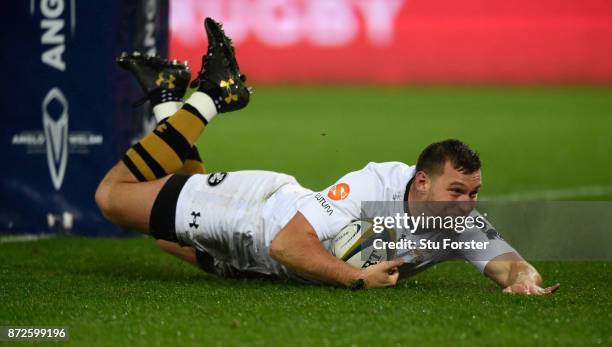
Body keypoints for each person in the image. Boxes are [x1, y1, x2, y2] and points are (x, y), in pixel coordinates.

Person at [96, 18, 559, 294]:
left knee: (164, 236)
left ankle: (166, 94)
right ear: (422, 182)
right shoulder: (374, 186)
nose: (466, 204)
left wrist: (524, 279)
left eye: (474, 193)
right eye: (457, 191)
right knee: (113, 198)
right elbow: (287, 245)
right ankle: (214, 95)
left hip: (255, 263)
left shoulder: (456, 223)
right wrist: (356, 279)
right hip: (252, 216)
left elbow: (508, 263)